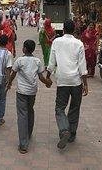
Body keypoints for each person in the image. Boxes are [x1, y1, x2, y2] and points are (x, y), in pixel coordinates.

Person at [47, 20, 88, 149]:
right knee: (75, 107)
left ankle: (64, 130)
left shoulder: (56, 42)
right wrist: (85, 83)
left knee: (60, 108)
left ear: (63, 29)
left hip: (62, 80)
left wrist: (48, 76)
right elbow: (82, 65)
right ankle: (72, 133)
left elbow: (52, 61)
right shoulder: (79, 44)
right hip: (76, 81)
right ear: (74, 29)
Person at [7, 39, 51, 154]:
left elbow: (13, 74)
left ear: (25, 49)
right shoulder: (37, 61)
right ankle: (29, 133)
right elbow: (41, 78)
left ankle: (23, 144)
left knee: (22, 115)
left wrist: (9, 83)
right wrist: (47, 83)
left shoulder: (19, 61)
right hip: (32, 92)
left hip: (21, 92)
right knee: (30, 111)